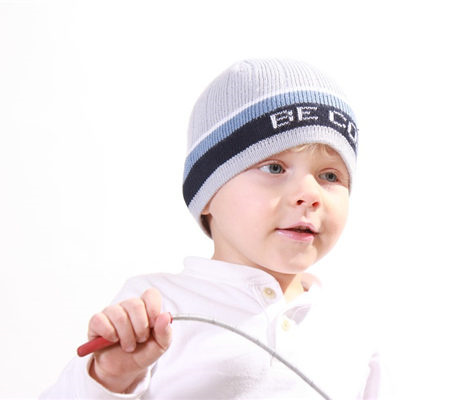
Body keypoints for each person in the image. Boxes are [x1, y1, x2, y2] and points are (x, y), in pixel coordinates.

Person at [42, 58, 381, 399]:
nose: (310, 194)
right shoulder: (153, 310)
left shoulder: (353, 330)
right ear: (206, 195)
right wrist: (111, 378)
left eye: (330, 175)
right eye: (274, 168)